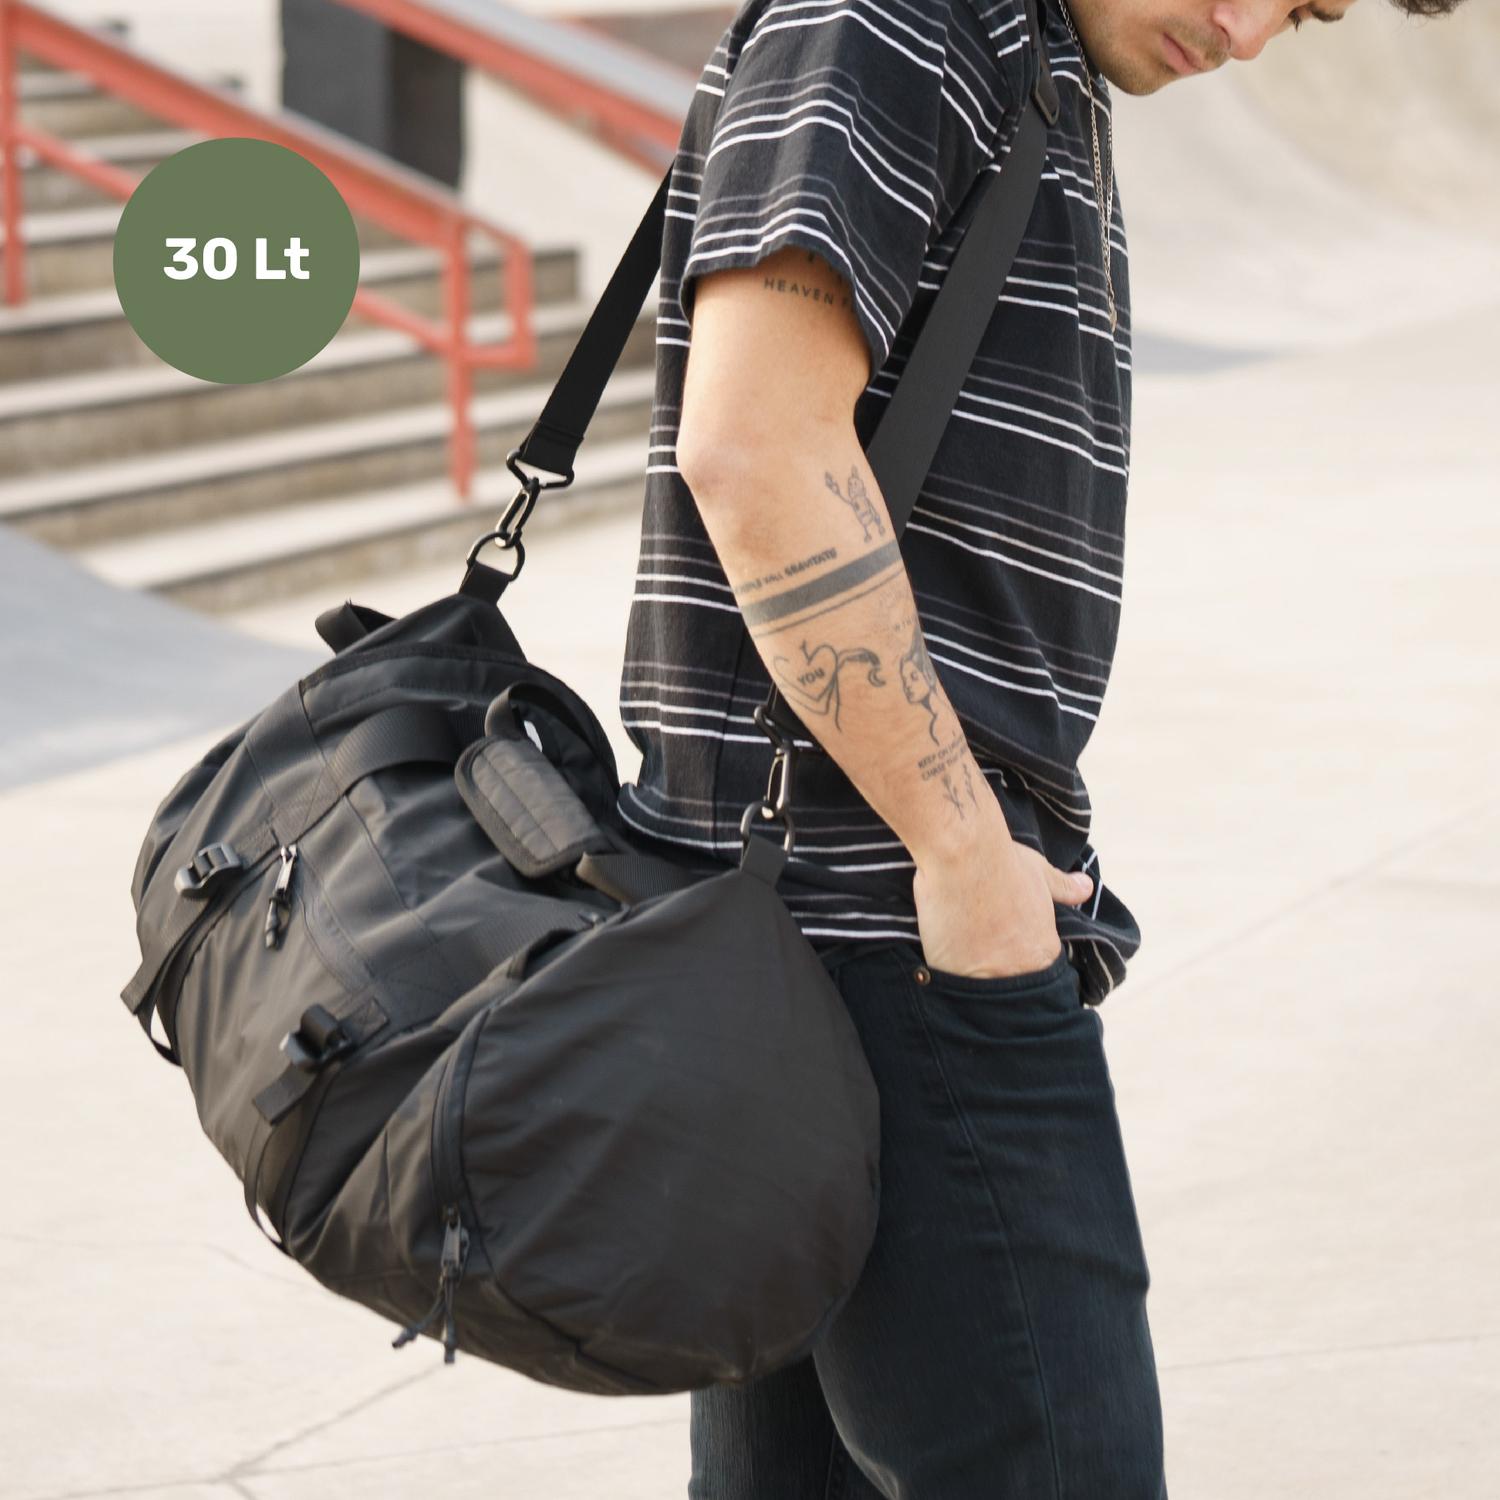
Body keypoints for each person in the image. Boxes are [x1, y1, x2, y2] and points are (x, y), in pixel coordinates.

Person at [613, 0, 1468, 1494]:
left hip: (841, 931)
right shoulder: (902, 20)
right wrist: (965, 857)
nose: (1250, 32)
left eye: (1308, 14)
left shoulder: (1025, 57)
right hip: (900, 938)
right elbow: (755, 444)